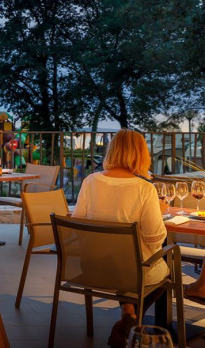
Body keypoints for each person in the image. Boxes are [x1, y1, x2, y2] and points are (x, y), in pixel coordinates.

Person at [72, 129, 166, 348]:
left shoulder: (90, 181)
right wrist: (158, 213)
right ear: (142, 154)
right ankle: (130, 324)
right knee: (167, 266)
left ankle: (128, 314)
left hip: (92, 267)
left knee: (123, 263)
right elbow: (154, 238)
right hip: (131, 272)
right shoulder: (145, 189)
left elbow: (77, 225)